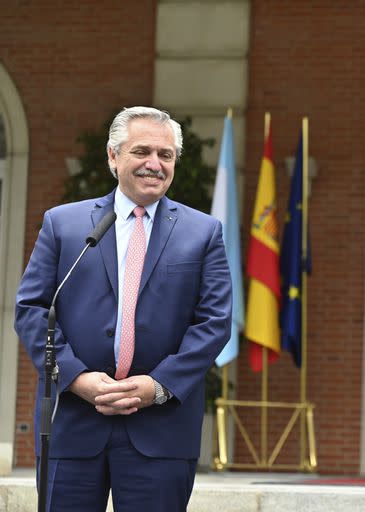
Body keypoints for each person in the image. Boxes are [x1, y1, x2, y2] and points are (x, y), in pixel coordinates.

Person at [15, 106, 233, 512]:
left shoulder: (203, 233)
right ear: (113, 157)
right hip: (73, 422)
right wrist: (77, 378)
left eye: (165, 155)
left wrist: (158, 386)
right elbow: (32, 308)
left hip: (161, 431)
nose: (154, 164)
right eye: (142, 152)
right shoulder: (63, 225)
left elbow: (214, 323)